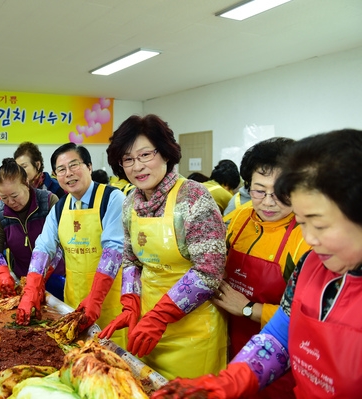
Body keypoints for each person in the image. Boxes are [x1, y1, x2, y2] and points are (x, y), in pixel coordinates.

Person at [152, 128, 362, 399]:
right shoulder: (310, 266)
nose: (310, 238)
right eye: (301, 222)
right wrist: (229, 383)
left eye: (320, 224)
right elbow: (280, 337)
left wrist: (251, 309)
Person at [100, 114, 228, 381]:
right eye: (128, 159)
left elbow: (209, 272)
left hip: (192, 333)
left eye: (146, 154)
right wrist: (130, 303)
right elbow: (131, 260)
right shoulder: (130, 202)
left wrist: (160, 317)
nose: (137, 166)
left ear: (166, 153)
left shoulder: (193, 197)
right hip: (146, 330)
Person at [213, 137, 310, 398]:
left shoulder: (307, 236)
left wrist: (247, 308)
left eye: (281, 192)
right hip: (228, 343)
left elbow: (307, 316)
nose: (268, 202)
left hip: (281, 361)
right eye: (259, 190)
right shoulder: (239, 218)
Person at [16, 143, 127, 348]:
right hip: (74, 305)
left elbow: (114, 250)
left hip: (111, 304)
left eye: (74, 165)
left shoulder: (112, 199)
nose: (68, 174)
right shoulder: (60, 207)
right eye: (61, 169)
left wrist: (95, 298)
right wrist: (32, 287)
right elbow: (44, 247)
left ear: (89, 167)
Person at [0, 158, 65, 299]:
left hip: (55, 278)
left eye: (15, 195)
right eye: (4, 197)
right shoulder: (0, 212)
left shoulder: (48, 202)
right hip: (22, 280)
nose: (10, 202)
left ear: (26, 184)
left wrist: (39, 277)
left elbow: (61, 244)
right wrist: (3, 274)